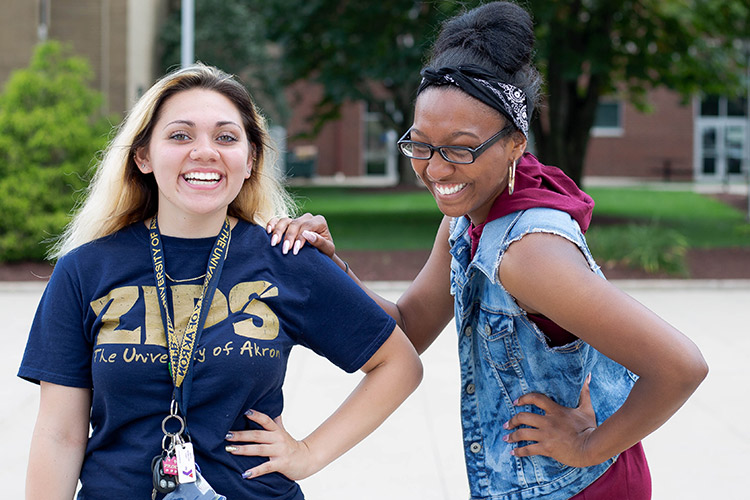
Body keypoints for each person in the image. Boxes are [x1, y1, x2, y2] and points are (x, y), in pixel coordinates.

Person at [268, 2, 708, 499]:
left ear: (516, 144)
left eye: (460, 148)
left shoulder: (527, 254)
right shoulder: (465, 221)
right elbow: (408, 328)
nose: (435, 170)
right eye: (421, 145)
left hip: (577, 487)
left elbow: (680, 367)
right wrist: (331, 266)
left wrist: (588, 447)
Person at [18, 64, 422, 499]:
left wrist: (308, 452)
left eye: (226, 137)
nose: (204, 152)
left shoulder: (287, 259)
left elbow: (398, 364)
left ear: (250, 160)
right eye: (180, 135)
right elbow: (59, 435)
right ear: (143, 157)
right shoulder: (84, 271)